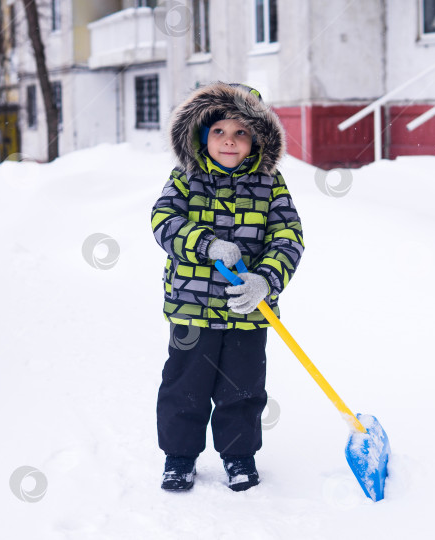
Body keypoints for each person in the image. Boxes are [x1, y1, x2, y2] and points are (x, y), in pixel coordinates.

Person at [150, 82, 305, 492]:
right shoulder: (185, 178)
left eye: (240, 132)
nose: (230, 141)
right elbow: (164, 223)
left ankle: (239, 456)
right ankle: (179, 457)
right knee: (186, 386)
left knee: (243, 389)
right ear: (201, 135)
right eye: (219, 132)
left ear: (257, 137)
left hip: (248, 309)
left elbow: (288, 237)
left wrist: (266, 279)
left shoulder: (270, 182)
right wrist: (206, 243)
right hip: (191, 308)